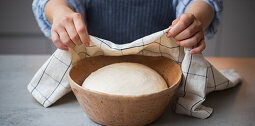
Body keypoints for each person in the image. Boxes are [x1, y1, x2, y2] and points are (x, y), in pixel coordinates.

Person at [32, 0, 222, 54]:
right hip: (91, 66)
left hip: (165, 67)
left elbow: (203, 1)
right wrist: (58, 10)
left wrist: (193, 18)